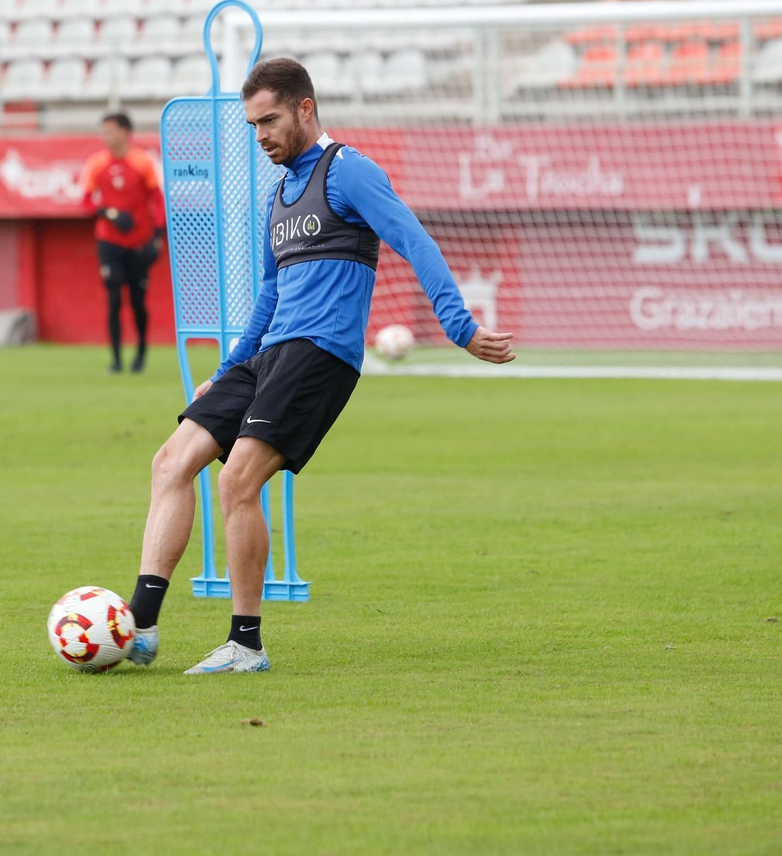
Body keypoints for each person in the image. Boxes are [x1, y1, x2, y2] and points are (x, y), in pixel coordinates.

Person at [123, 58, 516, 675]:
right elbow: (269, 297)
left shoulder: (350, 172)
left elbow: (415, 240)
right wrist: (229, 370)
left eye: (270, 121)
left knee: (236, 482)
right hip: (269, 351)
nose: (261, 137)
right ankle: (139, 627)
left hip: (320, 353)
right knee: (170, 460)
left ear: (306, 108)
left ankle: (246, 646)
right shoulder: (277, 195)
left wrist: (460, 327)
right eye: (254, 125)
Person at [80, 112, 165, 374]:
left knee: (138, 302)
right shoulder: (96, 164)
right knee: (114, 299)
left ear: (126, 132)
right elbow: (85, 203)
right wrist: (110, 213)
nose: (105, 136)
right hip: (109, 242)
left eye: (110, 131)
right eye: (103, 131)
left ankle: (140, 353)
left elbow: (158, 200)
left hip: (139, 243)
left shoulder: (143, 162)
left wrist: (158, 236)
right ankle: (116, 360)